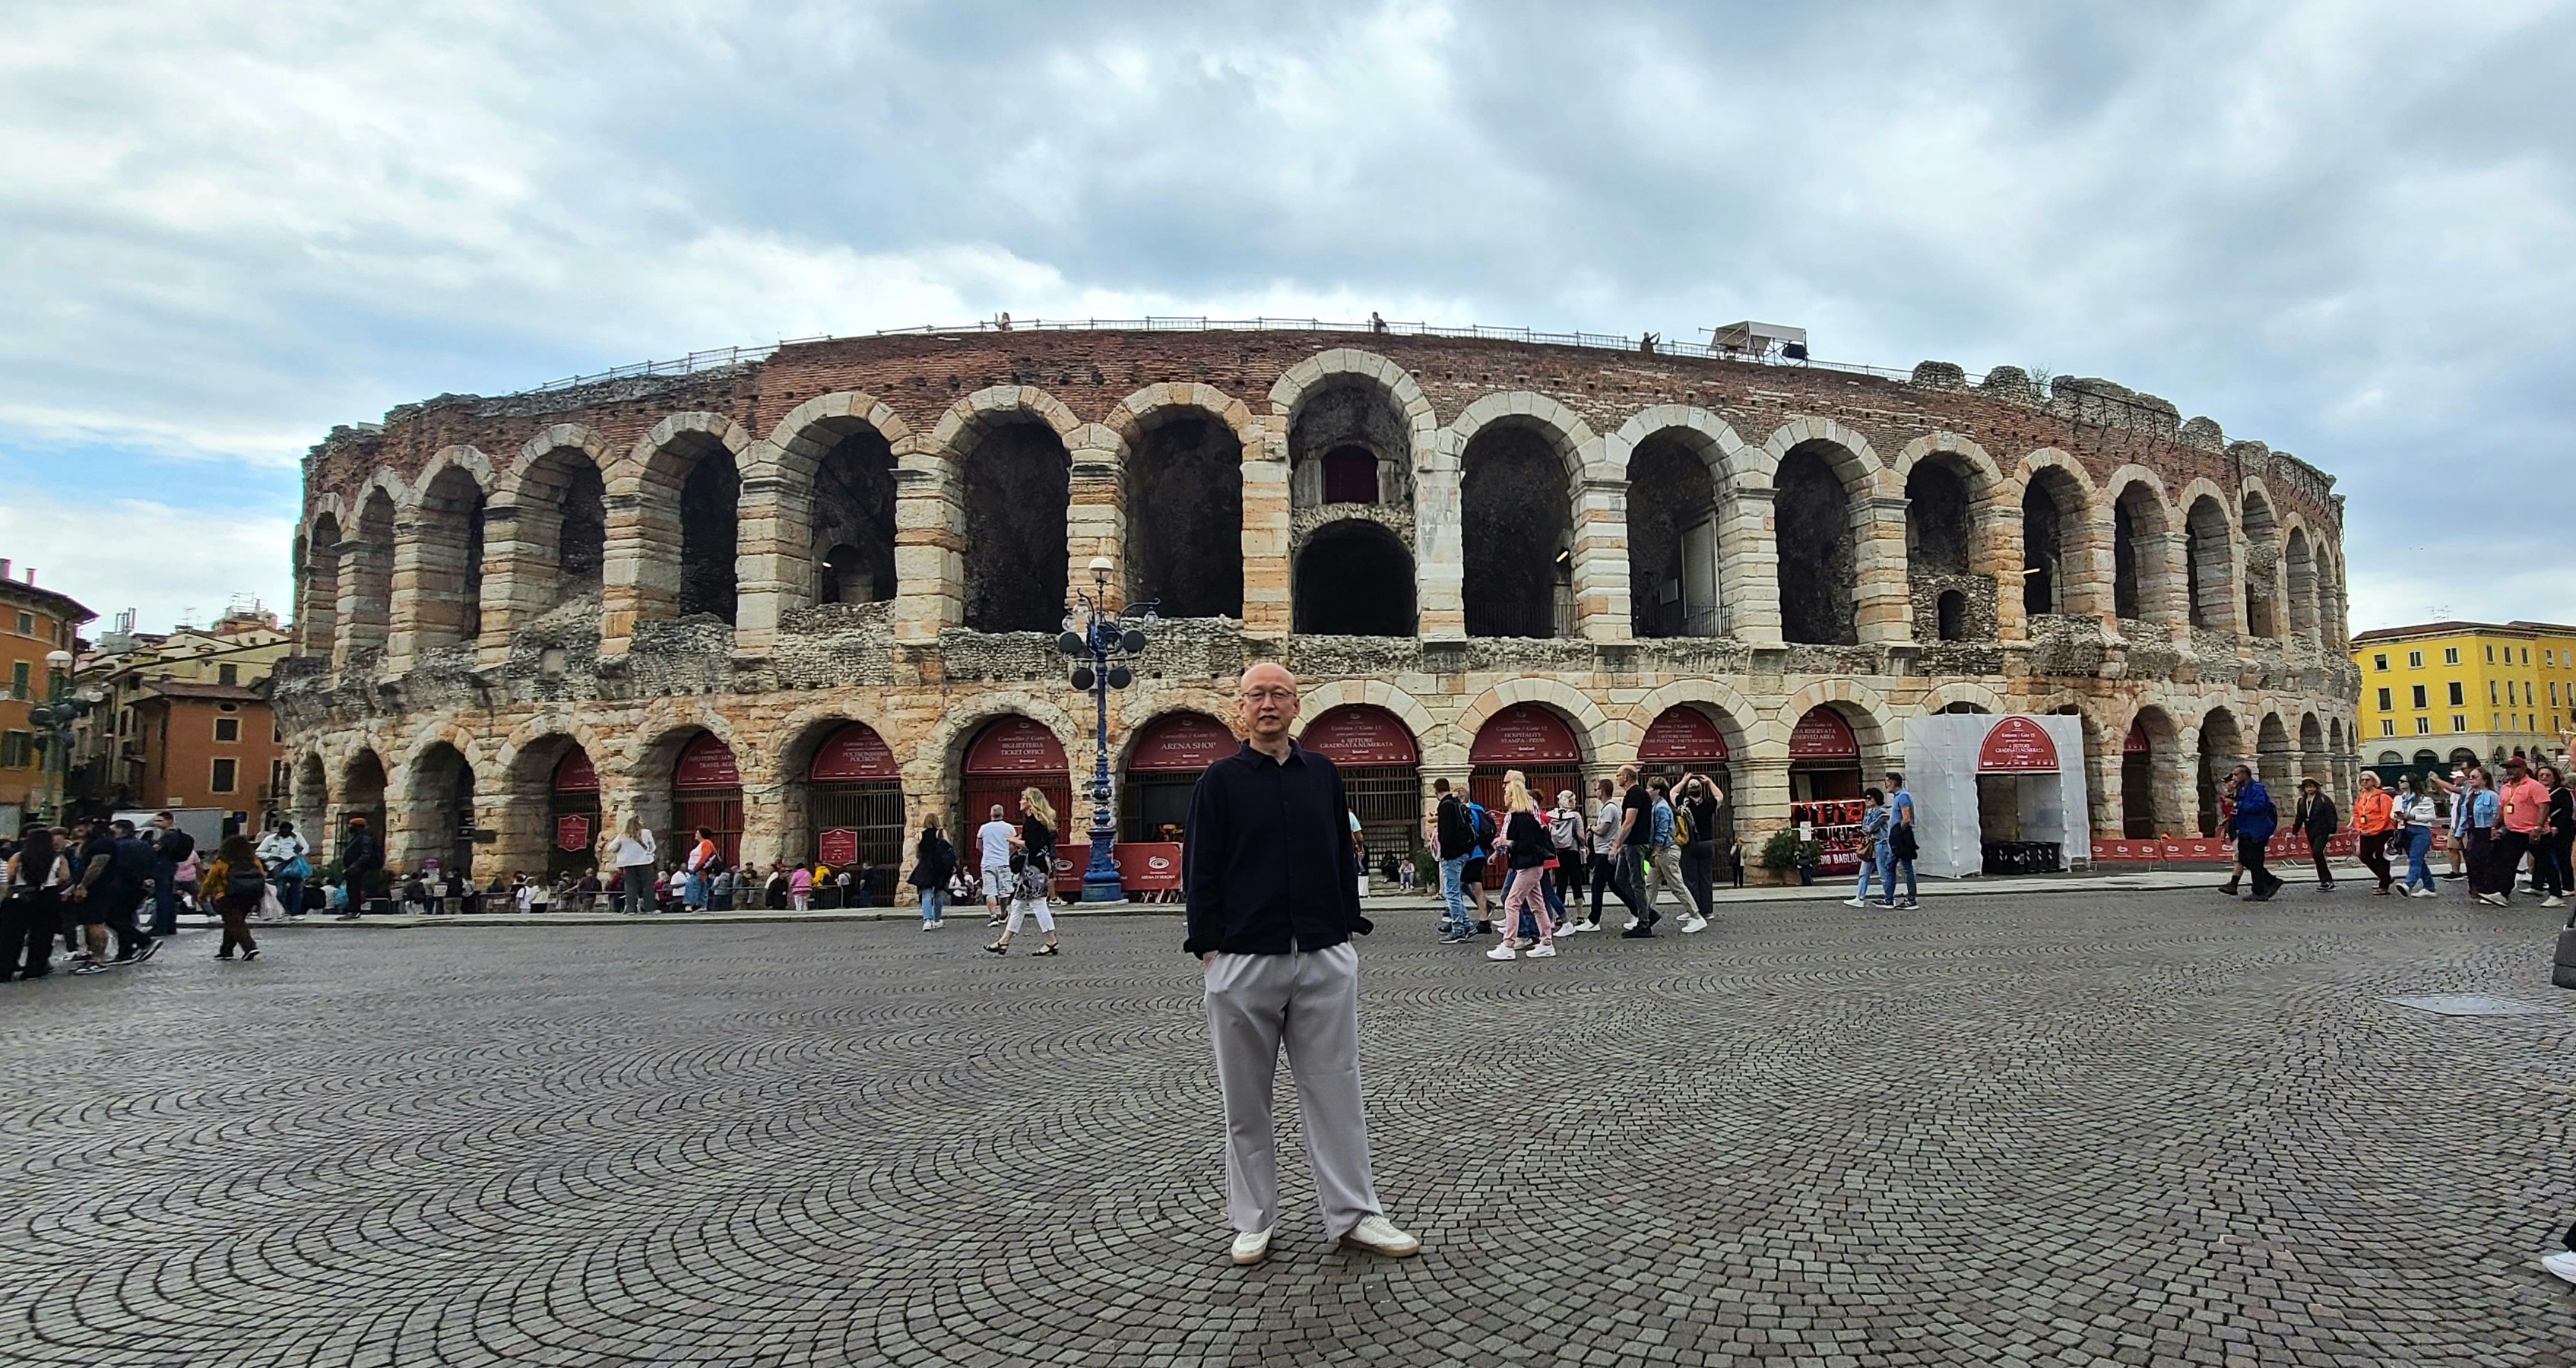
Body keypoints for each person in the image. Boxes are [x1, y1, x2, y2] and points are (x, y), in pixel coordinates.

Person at [1183, 661, 1416, 1267]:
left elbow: (1341, 852)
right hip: (1242, 958)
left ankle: (1354, 1214)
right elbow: (1200, 868)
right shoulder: (1218, 781)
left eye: (1279, 694)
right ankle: (1252, 1219)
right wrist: (1209, 950)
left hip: (1320, 952)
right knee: (1245, 1102)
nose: (1268, 704)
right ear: (1240, 708)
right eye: (1256, 695)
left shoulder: (1323, 774)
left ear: (1295, 705)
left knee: (1337, 1091)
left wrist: (1346, 929)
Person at [1487, 778, 1560, 961]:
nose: (1504, 797)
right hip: (1528, 866)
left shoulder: (1524, 819)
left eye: (1506, 794)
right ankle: (1546, 943)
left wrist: (1508, 843)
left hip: (1529, 866)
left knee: (1512, 902)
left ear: (1513, 797)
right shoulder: (1522, 817)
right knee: (1537, 905)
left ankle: (1508, 945)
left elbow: (1528, 845)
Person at [987, 788, 1062, 956]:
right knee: (1018, 904)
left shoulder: (1033, 820)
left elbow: (1031, 845)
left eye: (1023, 798)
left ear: (1031, 802)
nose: (1020, 801)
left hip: (1034, 868)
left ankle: (1051, 941)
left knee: (1038, 903)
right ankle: (1004, 941)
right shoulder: (1040, 820)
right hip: (1038, 865)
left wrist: (1013, 840)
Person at [2, 828, 66, 979]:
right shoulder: (58, 857)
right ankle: (35, 968)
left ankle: (5, 968)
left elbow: (10, 876)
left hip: (21, 896)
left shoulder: (19, 856)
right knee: (42, 935)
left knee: (11, 935)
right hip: (47, 896)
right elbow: (65, 876)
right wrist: (52, 881)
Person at [2495, 755, 2549, 906]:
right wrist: (2495, 826)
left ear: (2523, 769)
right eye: (2507, 768)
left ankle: (2557, 894)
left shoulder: (2534, 786)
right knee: (2509, 862)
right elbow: (2502, 809)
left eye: (2513, 768)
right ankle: (2503, 893)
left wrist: (2538, 828)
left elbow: (2544, 807)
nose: (2509, 771)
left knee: (2545, 862)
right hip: (2514, 831)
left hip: (2532, 831)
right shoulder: (2506, 788)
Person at [204, 834, 266, 961]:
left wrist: (203, 895)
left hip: (228, 896)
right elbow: (262, 875)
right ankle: (226, 950)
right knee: (233, 921)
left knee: (236, 923)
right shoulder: (253, 861)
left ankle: (249, 947)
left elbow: (210, 881)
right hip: (251, 896)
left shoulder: (222, 862)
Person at [1431, 778, 1478, 944]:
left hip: (1452, 855)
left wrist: (1443, 853)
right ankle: (1467, 925)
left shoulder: (1445, 806)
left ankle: (1458, 929)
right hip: (1463, 852)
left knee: (1451, 893)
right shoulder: (1456, 803)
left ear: (1436, 790)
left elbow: (1447, 834)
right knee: (1455, 891)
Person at [2226, 766, 2282, 901]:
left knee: (2255, 860)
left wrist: (2236, 804)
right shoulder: (2241, 789)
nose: (2234, 777)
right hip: (2244, 829)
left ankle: (2259, 891)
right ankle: (2271, 881)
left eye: (2236, 774)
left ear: (2244, 774)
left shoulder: (2257, 788)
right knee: (2244, 859)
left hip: (2257, 829)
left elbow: (2259, 806)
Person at [1676, 773, 1724, 931]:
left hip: (1691, 843)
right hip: (1707, 843)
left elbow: (1673, 792)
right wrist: (1709, 782)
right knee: (1706, 878)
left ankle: (1694, 910)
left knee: (1691, 879)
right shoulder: (1709, 804)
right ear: (1701, 790)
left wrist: (1684, 781)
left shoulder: (1684, 803)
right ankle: (1707, 910)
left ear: (1688, 790)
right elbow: (1720, 796)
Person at [1613, 766, 1657, 937]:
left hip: (1636, 844)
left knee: (1637, 882)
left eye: (1619, 775)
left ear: (1626, 777)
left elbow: (1629, 822)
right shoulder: (1632, 794)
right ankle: (1647, 913)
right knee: (1620, 879)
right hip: (1630, 844)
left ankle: (1644, 923)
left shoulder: (1636, 794)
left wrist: (1616, 844)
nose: (1617, 778)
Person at [1640, 777, 1688, 914]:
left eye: (1649, 788)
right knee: (1650, 885)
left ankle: (1696, 916)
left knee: (1677, 887)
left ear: (1657, 790)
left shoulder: (1661, 807)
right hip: (1661, 852)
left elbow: (1662, 831)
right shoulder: (1655, 805)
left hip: (1666, 851)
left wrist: (1655, 851)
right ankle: (1645, 916)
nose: (1647, 790)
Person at [146, 811, 196, 937]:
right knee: (168, 896)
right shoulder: (176, 834)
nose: (156, 824)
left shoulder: (168, 835)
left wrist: (149, 845)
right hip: (171, 865)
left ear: (169, 821)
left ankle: (161, 925)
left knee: (163, 896)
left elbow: (156, 849)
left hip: (163, 866)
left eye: (160, 821)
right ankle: (170, 926)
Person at [1846, 789, 1894, 907]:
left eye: (1869, 798)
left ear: (1876, 799)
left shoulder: (1882, 813)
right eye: (1866, 798)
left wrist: (1865, 830)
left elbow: (1870, 828)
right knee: (1864, 873)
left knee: (1883, 874)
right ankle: (1859, 898)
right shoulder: (1868, 812)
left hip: (1881, 844)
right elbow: (1865, 828)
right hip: (1871, 845)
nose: (1867, 801)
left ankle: (1889, 898)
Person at [2393, 774, 2439, 898]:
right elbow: (2392, 814)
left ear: (2411, 782)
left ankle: (2409, 884)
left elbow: (2431, 817)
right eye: (2400, 781)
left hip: (2420, 830)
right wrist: (2398, 816)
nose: (2400, 783)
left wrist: (2413, 816)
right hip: (2404, 830)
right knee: (2418, 860)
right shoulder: (2398, 799)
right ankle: (2429, 887)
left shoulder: (2424, 799)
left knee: (2415, 858)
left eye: (2403, 781)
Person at [2349, 772, 2396, 895]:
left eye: (2367, 780)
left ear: (2374, 781)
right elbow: (2357, 814)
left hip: (2382, 831)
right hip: (2366, 831)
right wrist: (2360, 828)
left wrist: (2374, 830)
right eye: (2362, 780)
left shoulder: (2383, 797)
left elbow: (2386, 817)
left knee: (2381, 857)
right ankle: (2385, 877)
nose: (2364, 782)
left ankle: (2384, 885)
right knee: (2364, 856)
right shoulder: (2361, 797)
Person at [1585, 778, 1621, 929]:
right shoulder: (1607, 808)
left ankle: (1593, 921)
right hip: (1604, 852)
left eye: (1597, 789)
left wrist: (1591, 828)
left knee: (1597, 886)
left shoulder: (1609, 809)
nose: (1596, 792)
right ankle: (1643, 913)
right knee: (1615, 886)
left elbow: (1602, 830)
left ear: (1603, 791)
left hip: (1604, 852)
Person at [909, 815, 956, 929]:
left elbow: (917, 854)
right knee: (938, 893)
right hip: (938, 867)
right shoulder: (941, 833)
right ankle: (937, 919)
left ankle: (927, 920)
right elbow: (948, 849)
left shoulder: (920, 835)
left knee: (926, 894)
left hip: (925, 866)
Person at [257, 820, 312, 919]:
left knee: (296, 890)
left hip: (294, 864)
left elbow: (306, 848)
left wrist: (299, 854)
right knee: (280, 890)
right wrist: (272, 857)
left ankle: (295, 911)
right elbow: (259, 852)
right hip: (278, 865)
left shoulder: (297, 837)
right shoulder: (270, 839)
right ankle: (284, 909)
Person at [2292, 779, 2340, 891]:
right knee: (2316, 855)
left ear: (2316, 788)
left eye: (2312, 786)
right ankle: (2324, 880)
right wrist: (2295, 831)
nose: (2310, 789)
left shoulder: (2324, 800)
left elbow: (2332, 816)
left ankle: (2327, 880)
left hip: (2322, 830)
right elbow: (2299, 817)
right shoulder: (2302, 801)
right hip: (2310, 831)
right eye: (2307, 787)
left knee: (2317, 852)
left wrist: (2332, 831)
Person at [1881, 771, 1920, 910]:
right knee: (1890, 866)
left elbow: (1906, 818)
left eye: (1887, 782)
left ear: (1892, 783)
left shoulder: (1903, 796)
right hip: (1898, 839)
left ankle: (1910, 899)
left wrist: (1898, 833)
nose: (1886, 785)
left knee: (1906, 868)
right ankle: (1889, 898)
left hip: (1901, 839)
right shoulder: (1900, 796)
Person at [2539, 764, 2574, 909]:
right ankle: (2541, 883)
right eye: (2541, 775)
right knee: (2545, 856)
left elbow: (2567, 811)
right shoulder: (2538, 791)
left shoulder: (2562, 792)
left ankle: (2568, 886)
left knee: (2563, 856)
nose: (2544, 777)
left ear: (2554, 778)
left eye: (2547, 775)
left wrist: (2557, 826)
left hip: (2563, 829)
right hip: (2545, 828)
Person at [976, 804, 1016, 927]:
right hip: (1003, 862)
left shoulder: (984, 828)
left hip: (988, 863)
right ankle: (1003, 913)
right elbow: (1014, 844)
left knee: (990, 891)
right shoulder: (1009, 828)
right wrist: (1007, 853)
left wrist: (987, 853)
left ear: (991, 813)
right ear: (1003, 813)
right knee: (1004, 891)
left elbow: (978, 845)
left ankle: (993, 916)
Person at [337, 816, 382, 920]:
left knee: (354, 890)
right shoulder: (356, 837)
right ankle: (352, 910)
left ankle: (354, 911)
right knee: (351, 889)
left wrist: (355, 866)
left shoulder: (365, 838)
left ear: (358, 827)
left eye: (352, 825)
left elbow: (366, 855)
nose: (349, 827)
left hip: (358, 869)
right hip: (354, 868)